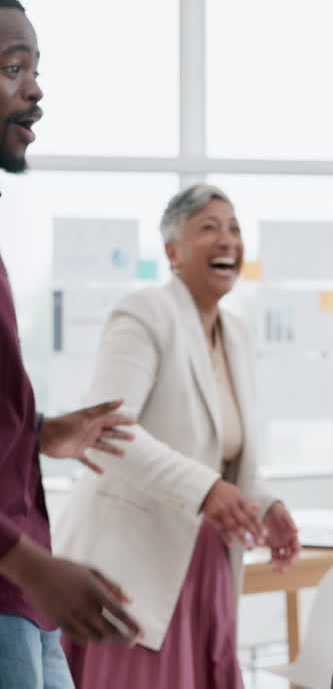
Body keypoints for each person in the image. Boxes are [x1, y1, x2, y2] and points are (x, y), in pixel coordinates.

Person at [54, 184, 301, 688]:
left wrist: (267, 504)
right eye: (208, 228)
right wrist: (206, 490)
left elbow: (222, 454)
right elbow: (109, 435)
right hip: (134, 564)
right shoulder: (144, 314)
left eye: (234, 228)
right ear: (172, 251)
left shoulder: (238, 334)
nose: (227, 240)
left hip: (206, 562)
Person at [0, 0, 144, 689]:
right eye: (11, 68)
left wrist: (38, 433)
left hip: (24, 595)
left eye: (34, 67)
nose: (35, 91)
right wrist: (29, 565)